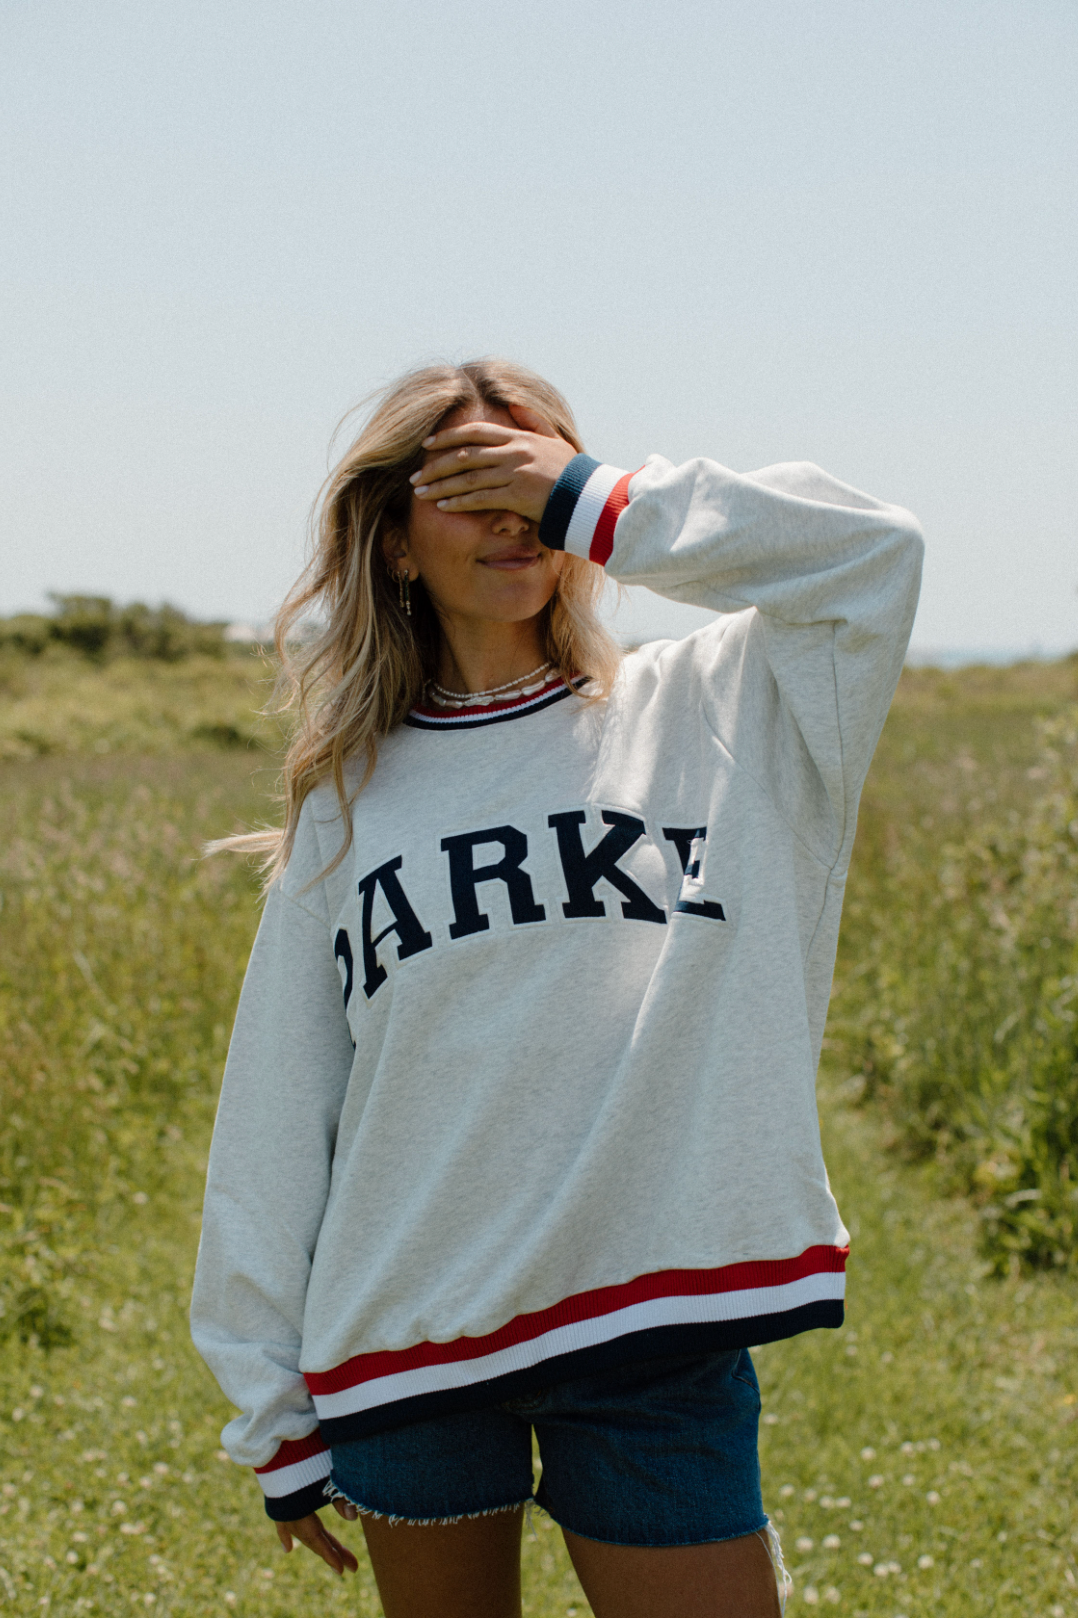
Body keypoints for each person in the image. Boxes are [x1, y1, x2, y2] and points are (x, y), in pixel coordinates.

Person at [191, 358, 923, 1618]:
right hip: (411, 1338)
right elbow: (279, 1106)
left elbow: (871, 553)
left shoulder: (721, 704)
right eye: (464, 483)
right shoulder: (349, 800)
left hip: (656, 1327)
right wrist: (270, 1402)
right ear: (399, 543)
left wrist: (594, 494)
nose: (507, 512)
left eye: (528, 475)